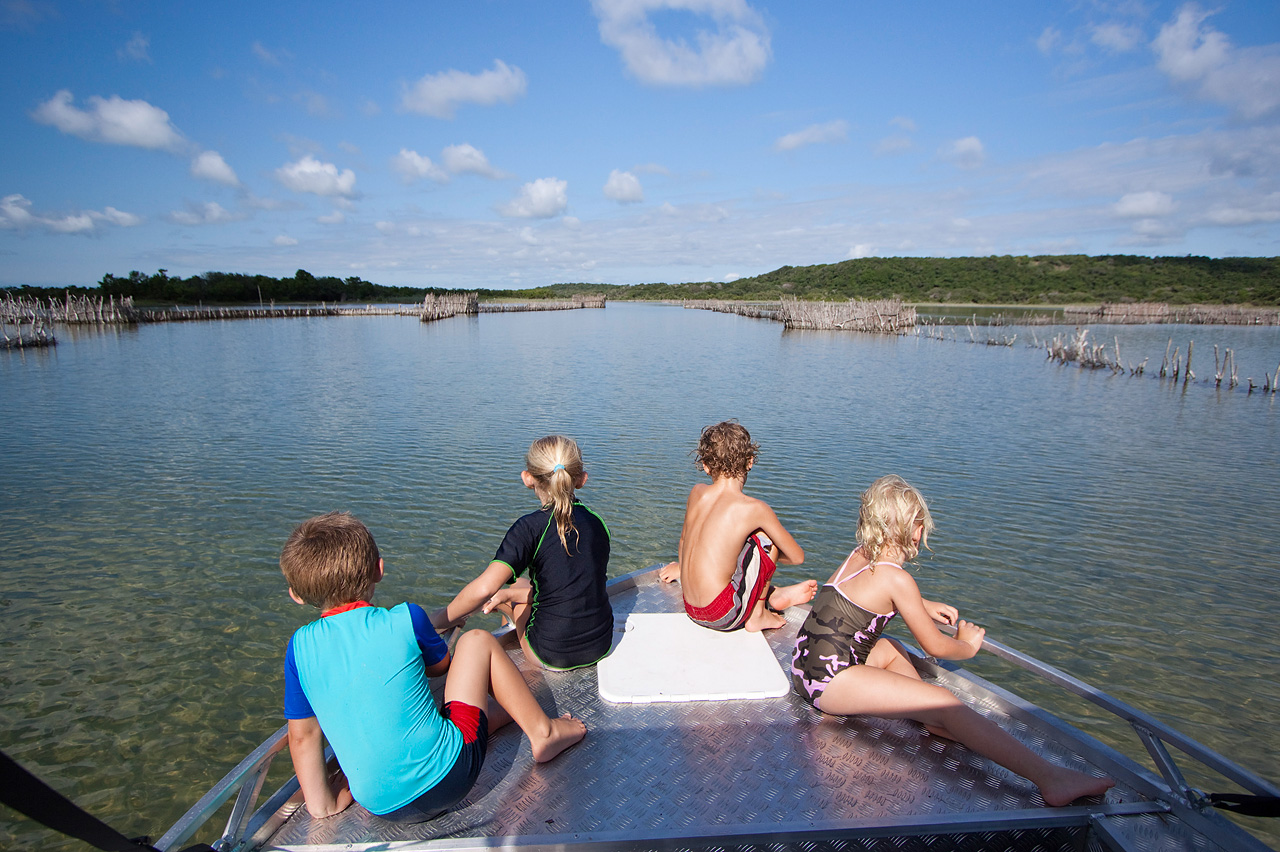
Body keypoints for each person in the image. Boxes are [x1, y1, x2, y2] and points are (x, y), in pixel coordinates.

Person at [791, 475, 1114, 807]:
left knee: (891, 648)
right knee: (945, 701)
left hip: (803, 668)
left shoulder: (858, 556)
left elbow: (861, 598)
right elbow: (937, 647)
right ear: (911, 527)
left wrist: (922, 606)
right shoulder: (897, 579)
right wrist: (968, 644)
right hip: (829, 683)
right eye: (919, 525)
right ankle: (1052, 779)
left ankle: (927, 715)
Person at [280, 511, 585, 823]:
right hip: (451, 777)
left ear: (296, 594)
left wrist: (324, 806)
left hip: (382, 807)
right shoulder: (405, 618)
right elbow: (441, 668)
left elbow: (303, 735)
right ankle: (544, 732)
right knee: (476, 642)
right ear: (378, 570)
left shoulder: (298, 649)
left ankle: (504, 715)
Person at [433, 435, 614, 670]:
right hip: (601, 644)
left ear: (528, 478)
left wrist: (438, 619)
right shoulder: (597, 522)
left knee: (512, 588)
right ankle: (510, 611)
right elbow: (572, 584)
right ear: (581, 479)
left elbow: (485, 588)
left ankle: (523, 671)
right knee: (519, 587)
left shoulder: (528, 528)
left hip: (551, 653)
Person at [660, 421, 816, 631]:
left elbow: (684, 540)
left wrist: (683, 566)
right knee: (765, 540)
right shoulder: (754, 509)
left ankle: (775, 593)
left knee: (724, 542)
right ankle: (758, 615)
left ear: (705, 465)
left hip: (691, 608)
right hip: (721, 614)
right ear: (750, 461)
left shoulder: (697, 492)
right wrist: (767, 559)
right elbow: (797, 557)